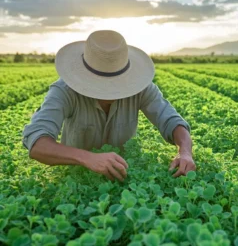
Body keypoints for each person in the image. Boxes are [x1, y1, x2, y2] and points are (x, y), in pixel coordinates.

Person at [22, 30, 195, 182]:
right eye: (102, 84)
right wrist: (87, 158)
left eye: (116, 84)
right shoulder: (64, 91)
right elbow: (37, 143)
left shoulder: (141, 88)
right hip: (77, 176)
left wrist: (185, 152)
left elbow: (171, 120)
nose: (110, 92)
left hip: (126, 175)